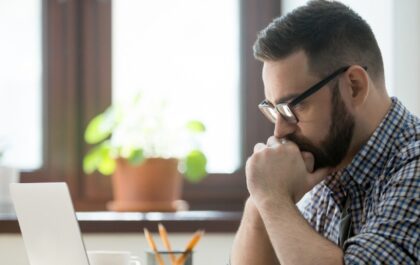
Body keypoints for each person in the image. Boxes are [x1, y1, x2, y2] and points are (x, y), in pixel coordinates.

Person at [230, 1, 419, 264]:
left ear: (354, 86)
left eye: (295, 106)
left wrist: (273, 198)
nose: (280, 130)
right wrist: (260, 199)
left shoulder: (415, 170)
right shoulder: (329, 174)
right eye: (274, 110)